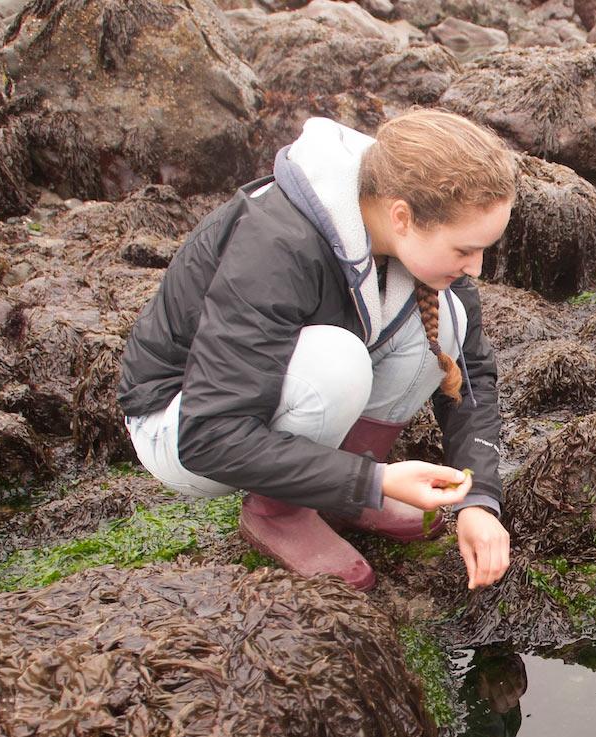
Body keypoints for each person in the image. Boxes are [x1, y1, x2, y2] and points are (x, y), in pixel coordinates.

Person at [116, 110, 514, 591]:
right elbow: (209, 436)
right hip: (178, 429)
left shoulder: (420, 243)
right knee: (337, 362)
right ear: (402, 216)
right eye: (465, 250)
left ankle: (337, 498)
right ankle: (277, 511)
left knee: (447, 322)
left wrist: (479, 501)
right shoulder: (278, 244)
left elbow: (471, 378)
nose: (476, 268)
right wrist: (375, 480)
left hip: (257, 409)